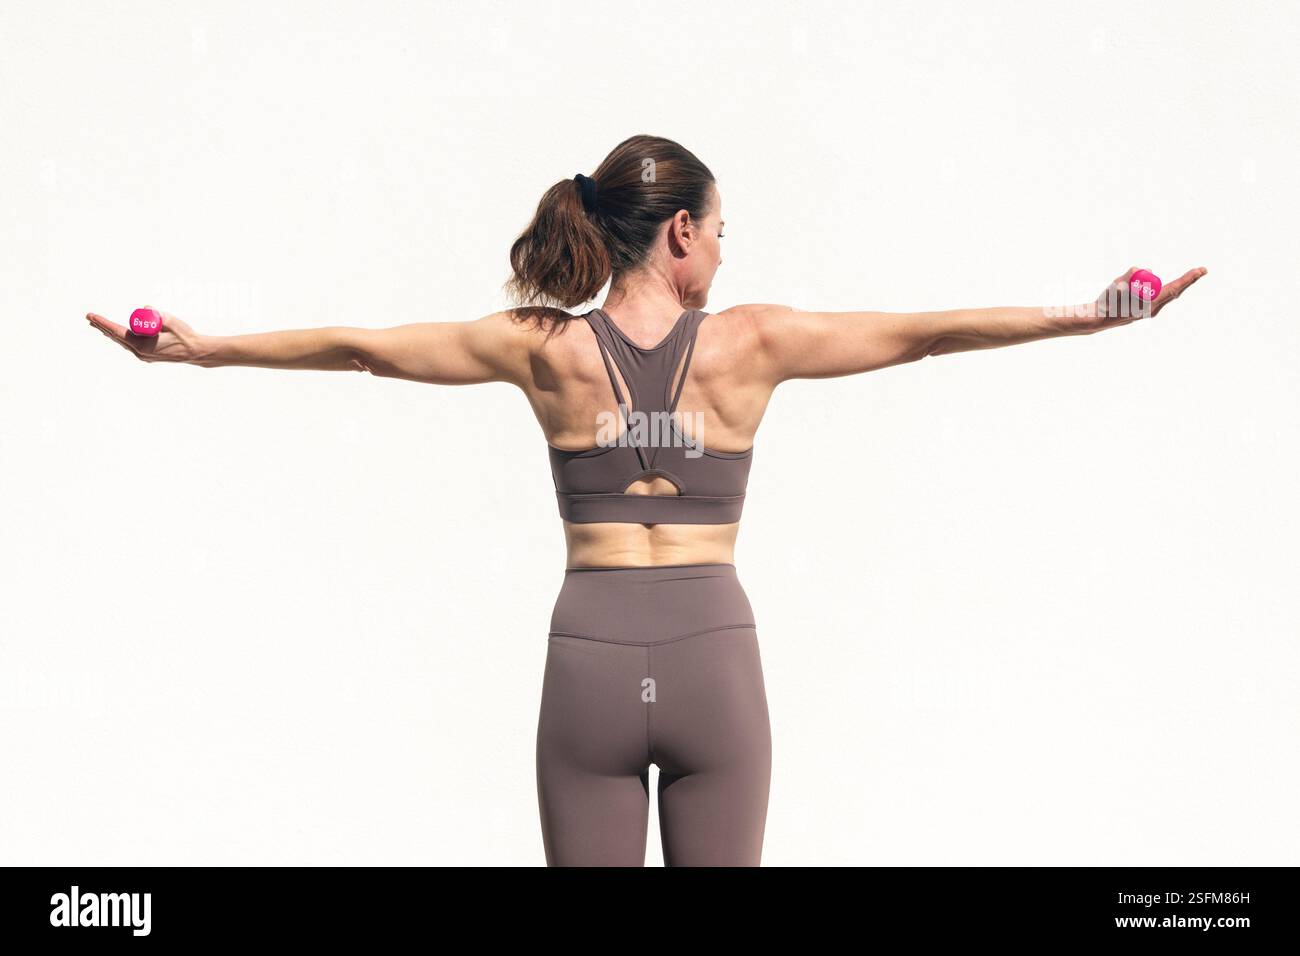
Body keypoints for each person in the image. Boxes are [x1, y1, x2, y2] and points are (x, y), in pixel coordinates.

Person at [86, 133, 1207, 866]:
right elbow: (922, 336)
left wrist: (211, 349)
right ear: (681, 233)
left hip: (588, 657)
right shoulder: (751, 343)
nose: (721, 250)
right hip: (713, 656)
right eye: (718, 230)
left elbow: (366, 350)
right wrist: (1085, 314)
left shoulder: (542, 349)